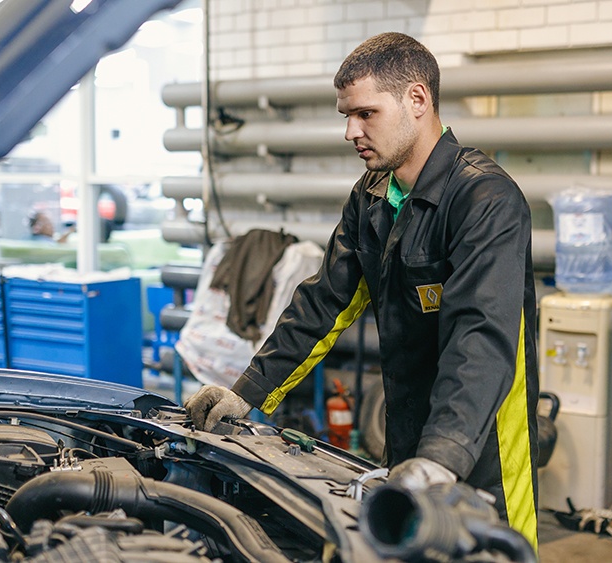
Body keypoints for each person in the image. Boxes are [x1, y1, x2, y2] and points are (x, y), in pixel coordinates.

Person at [184, 32, 540, 547]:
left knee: (488, 553)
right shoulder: (372, 196)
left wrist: (442, 456)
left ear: (417, 100)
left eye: (366, 114)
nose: (351, 131)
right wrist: (246, 393)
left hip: (483, 444)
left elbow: (480, 340)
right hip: (408, 430)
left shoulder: (486, 199)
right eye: (346, 116)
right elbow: (325, 302)